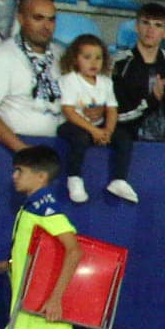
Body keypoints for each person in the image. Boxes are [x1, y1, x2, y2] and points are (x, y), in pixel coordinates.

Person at [0, 145, 82, 329]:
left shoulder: (46, 209)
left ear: (40, 176)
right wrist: (10, 264)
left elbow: (74, 251)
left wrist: (55, 299)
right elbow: (37, 252)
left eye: (20, 171)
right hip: (26, 315)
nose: (14, 176)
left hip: (40, 319)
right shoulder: (29, 208)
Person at [0, 0, 64, 152]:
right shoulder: (1, 55)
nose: (46, 26)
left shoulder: (63, 56)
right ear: (21, 18)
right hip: (5, 150)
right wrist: (20, 148)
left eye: (51, 19)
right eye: (38, 18)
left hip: (52, 151)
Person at [58, 33, 134, 204]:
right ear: (75, 59)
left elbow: (112, 110)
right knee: (80, 137)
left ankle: (119, 180)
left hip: (98, 127)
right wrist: (94, 131)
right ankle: (74, 178)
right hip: (73, 125)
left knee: (123, 138)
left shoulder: (106, 82)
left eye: (98, 58)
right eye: (87, 57)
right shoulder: (69, 80)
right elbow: (69, 111)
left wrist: (108, 131)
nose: (93, 63)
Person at [114, 0, 165, 146]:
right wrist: (153, 99)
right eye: (146, 23)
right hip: (129, 141)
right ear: (136, 27)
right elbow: (115, 114)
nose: (150, 30)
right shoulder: (119, 63)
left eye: (158, 25)